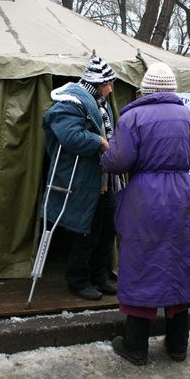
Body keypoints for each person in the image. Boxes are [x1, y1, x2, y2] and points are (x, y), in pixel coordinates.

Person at [101, 62, 190, 365]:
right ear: (171, 90)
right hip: (181, 194)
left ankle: (136, 346)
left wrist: (105, 155)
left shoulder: (133, 117)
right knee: (180, 262)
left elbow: (119, 160)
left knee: (142, 263)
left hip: (146, 197)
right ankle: (178, 345)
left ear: (147, 89)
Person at [42, 53, 119, 300]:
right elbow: (70, 137)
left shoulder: (101, 104)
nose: (111, 88)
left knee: (106, 230)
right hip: (84, 180)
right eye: (108, 83)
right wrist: (99, 141)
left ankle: (100, 275)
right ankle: (78, 279)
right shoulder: (69, 103)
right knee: (87, 232)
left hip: (105, 180)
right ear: (98, 84)